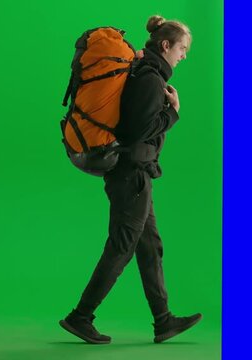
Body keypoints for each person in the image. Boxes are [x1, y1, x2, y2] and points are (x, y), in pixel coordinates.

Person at [59, 15, 202, 344]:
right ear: (165, 45)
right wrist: (173, 113)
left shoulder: (145, 70)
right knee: (122, 246)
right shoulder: (150, 78)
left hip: (134, 173)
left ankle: (163, 320)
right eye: (182, 48)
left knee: (149, 246)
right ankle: (80, 317)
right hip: (130, 174)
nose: (184, 55)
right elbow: (135, 131)